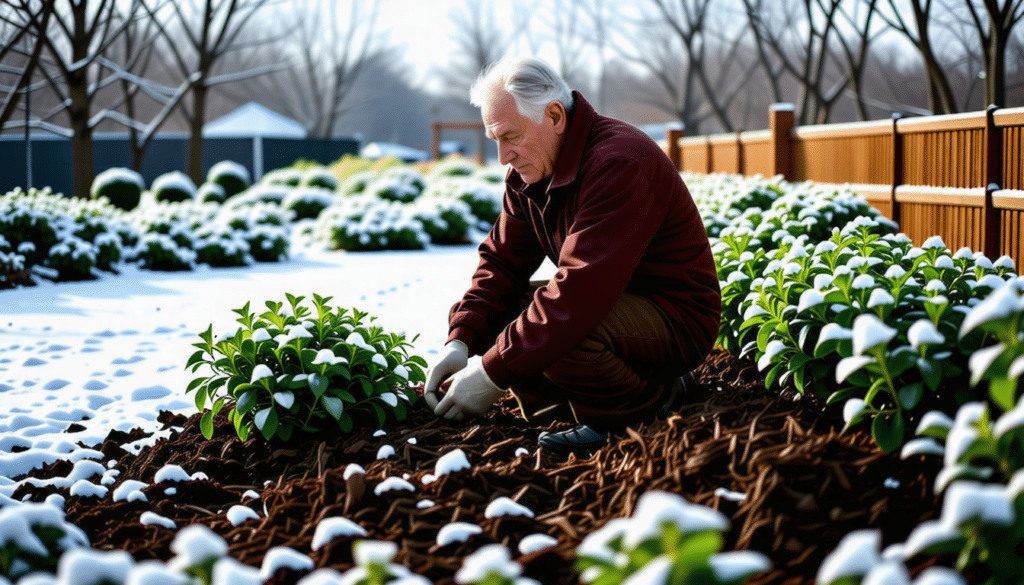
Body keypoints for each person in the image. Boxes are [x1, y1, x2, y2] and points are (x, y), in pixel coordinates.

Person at [423, 57, 721, 457]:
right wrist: (461, 340)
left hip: (674, 317)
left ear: (554, 115)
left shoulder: (619, 163)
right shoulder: (529, 173)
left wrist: (491, 374)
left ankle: (637, 411)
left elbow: (580, 292)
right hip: (614, 307)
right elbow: (501, 263)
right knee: (509, 319)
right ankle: (614, 391)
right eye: (494, 139)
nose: (502, 157)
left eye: (510, 136)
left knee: (563, 332)